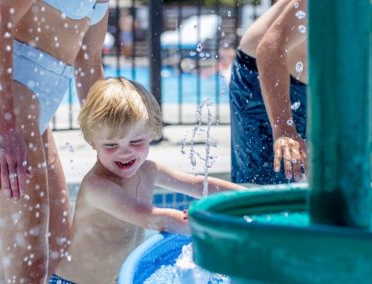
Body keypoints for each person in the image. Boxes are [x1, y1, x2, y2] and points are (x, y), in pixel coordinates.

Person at [50, 77, 244, 284]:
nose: (125, 152)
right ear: (92, 142)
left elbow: (198, 185)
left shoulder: (149, 170)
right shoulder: (98, 186)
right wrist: (210, 225)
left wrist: (247, 199)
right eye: (111, 145)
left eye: (136, 141)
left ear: (151, 134)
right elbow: (149, 217)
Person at [0, 0, 109, 282]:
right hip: (4, 109)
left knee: (56, 247)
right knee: (26, 264)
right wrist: (4, 124)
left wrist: (109, 140)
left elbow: (89, 61)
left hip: (30, 113)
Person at [230, 0, 307, 185]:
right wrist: (284, 128)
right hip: (263, 77)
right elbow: (269, 49)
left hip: (313, 84)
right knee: (266, 187)